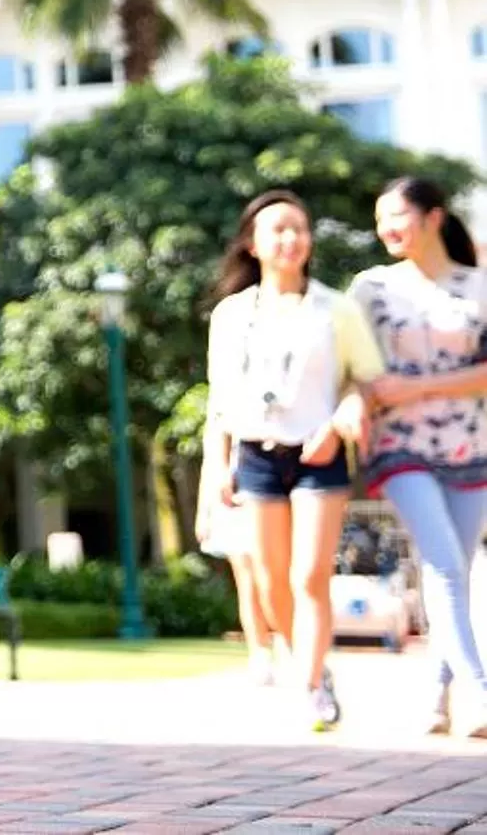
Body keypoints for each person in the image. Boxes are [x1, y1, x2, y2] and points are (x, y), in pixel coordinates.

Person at [200, 188, 381, 731]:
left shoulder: (336, 307)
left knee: (309, 577)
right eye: (276, 229)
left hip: (317, 452)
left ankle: (307, 687)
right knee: (272, 582)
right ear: (252, 244)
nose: (290, 239)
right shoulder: (231, 315)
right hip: (255, 454)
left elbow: (364, 382)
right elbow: (219, 404)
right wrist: (217, 471)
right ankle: (314, 664)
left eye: (299, 228)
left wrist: (340, 421)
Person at [349, 176, 487, 738]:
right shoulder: (371, 287)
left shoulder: (478, 286)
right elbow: (354, 367)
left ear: (433, 217)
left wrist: (418, 389)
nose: (386, 228)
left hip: (471, 445)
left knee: (458, 568)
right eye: (380, 218)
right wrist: (357, 405)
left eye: (397, 215)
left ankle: (438, 692)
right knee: (443, 565)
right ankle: (481, 692)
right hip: (398, 446)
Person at [193, 456, 285, 685]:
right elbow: (211, 461)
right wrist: (204, 510)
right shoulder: (220, 422)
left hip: (268, 492)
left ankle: (287, 640)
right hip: (233, 502)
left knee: (274, 577)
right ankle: (259, 653)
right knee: (246, 581)